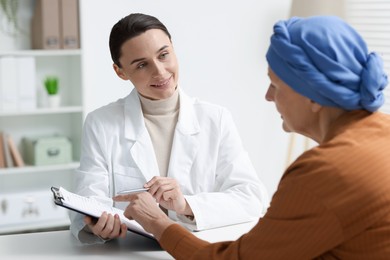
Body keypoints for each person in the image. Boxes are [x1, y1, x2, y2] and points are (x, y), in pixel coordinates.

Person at [115, 16, 390, 259]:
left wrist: (158, 223)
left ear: (312, 94)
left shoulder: (326, 173)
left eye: (275, 84)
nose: (268, 96)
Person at [69, 13, 269, 244]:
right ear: (120, 71)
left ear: (173, 49)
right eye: (142, 64)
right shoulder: (101, 123)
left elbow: (251, 197)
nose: (160, 72)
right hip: (130, 251)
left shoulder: (216, 118)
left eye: (164, 55)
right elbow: (87, 199)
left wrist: (185, 205)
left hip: (197, 249)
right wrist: (96, 225)